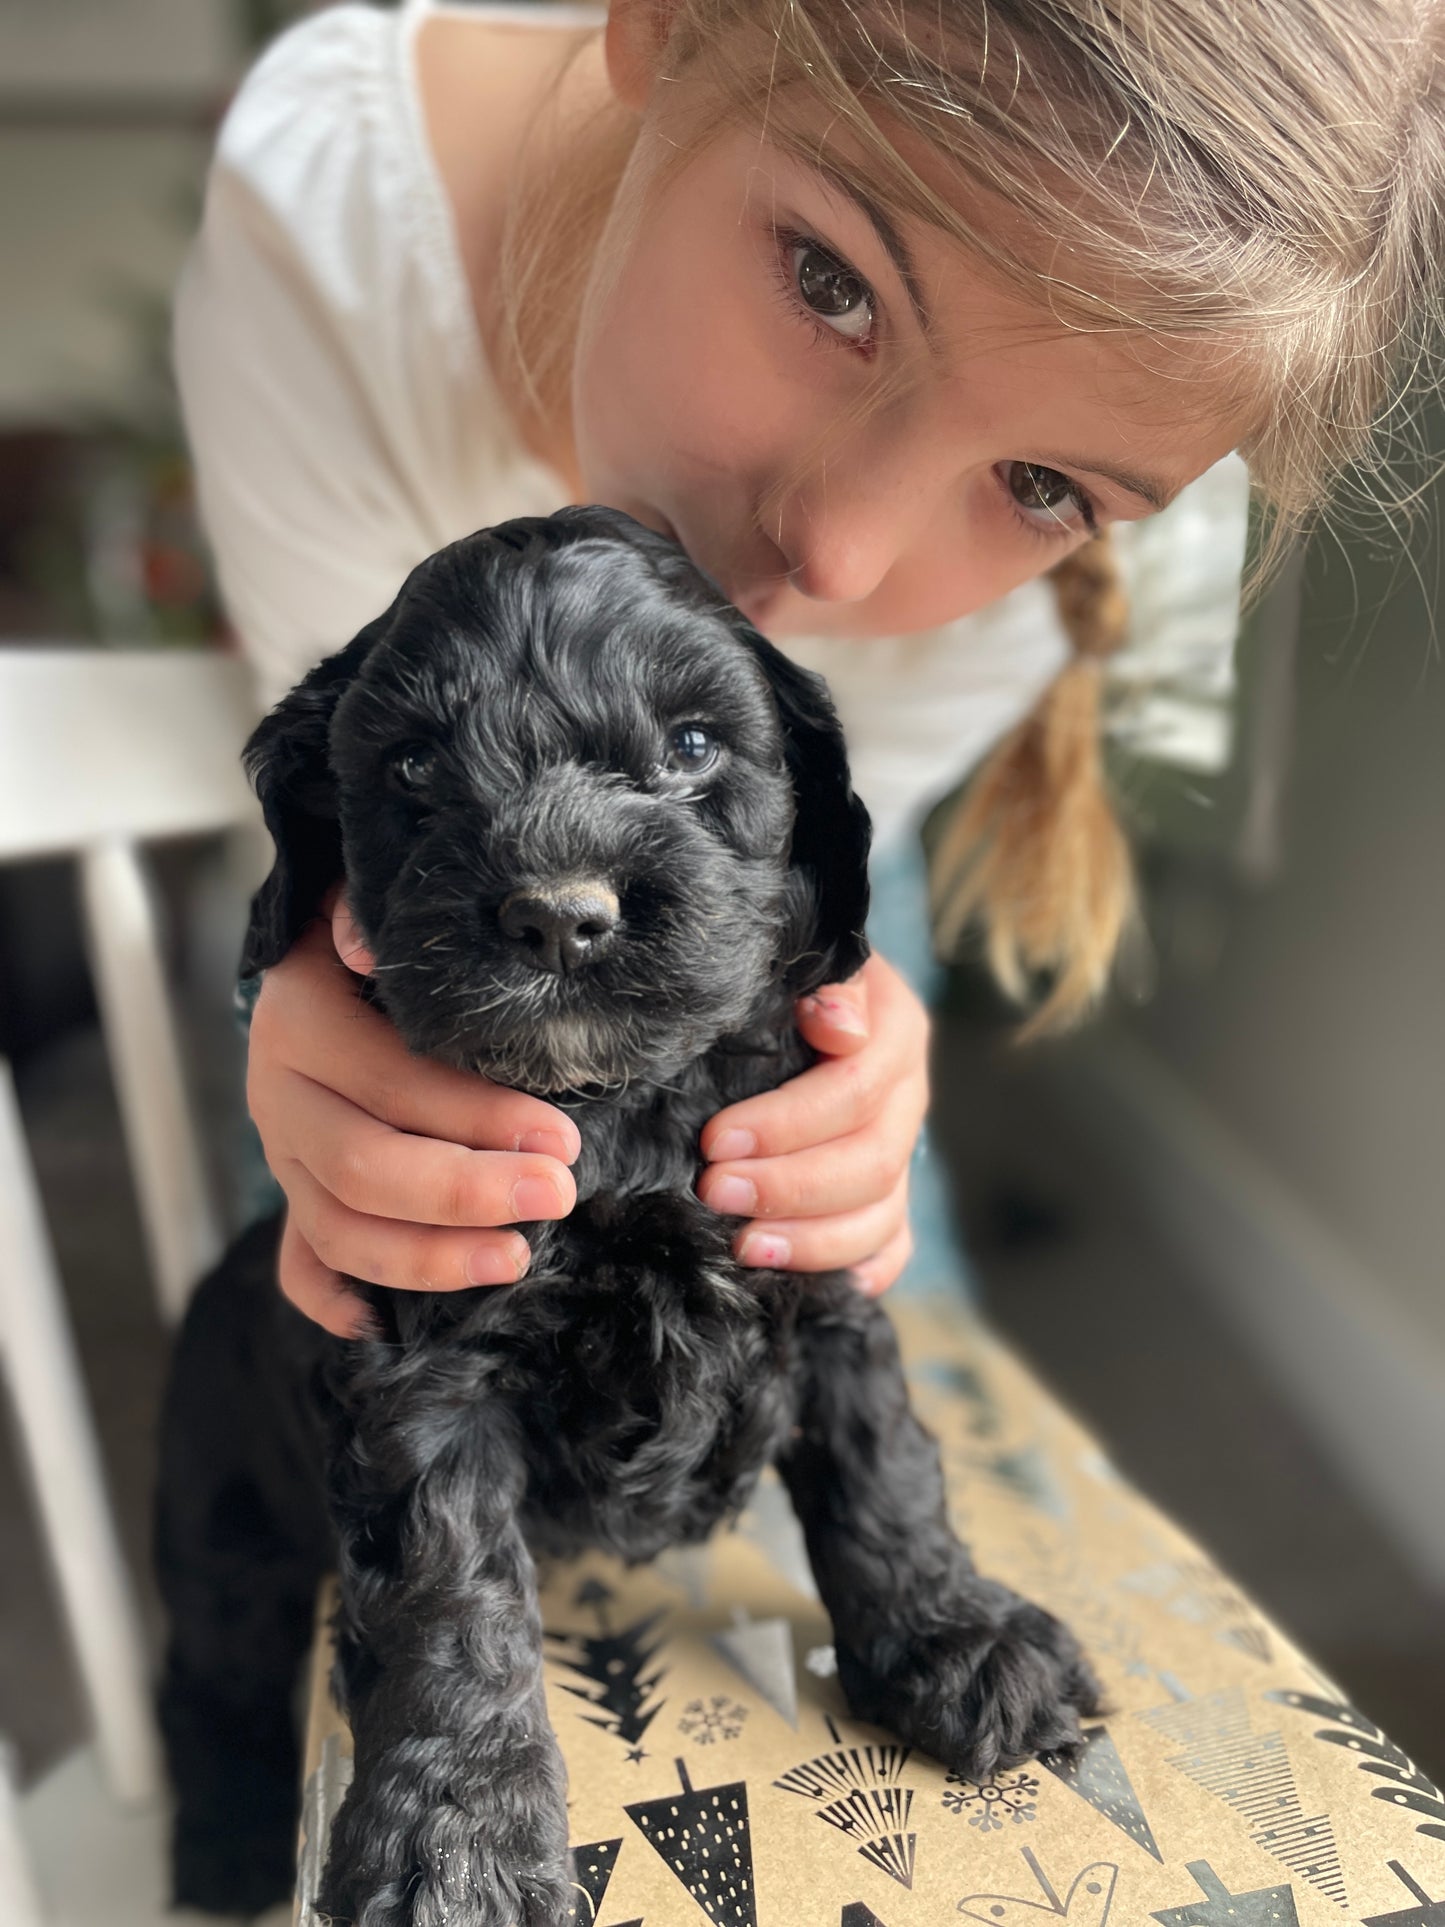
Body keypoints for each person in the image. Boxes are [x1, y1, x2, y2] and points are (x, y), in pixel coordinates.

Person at [174, 0, 1442, 1338]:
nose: (834, 560)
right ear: (668, 24)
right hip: (425, 904)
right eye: (829, 284)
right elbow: (356, 805)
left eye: (1034, 484)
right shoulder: (328, 212)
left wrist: (839, 1047)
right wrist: (320, 974)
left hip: (775, 872)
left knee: (863, 1330)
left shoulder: (1119, 510)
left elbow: (787, 866)